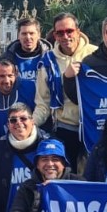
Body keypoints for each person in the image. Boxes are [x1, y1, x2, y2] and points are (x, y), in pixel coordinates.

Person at [33, 13, 97, 163]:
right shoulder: (48, 62)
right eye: (60, 33)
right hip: (65, 127)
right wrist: (30, 123)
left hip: (94, 125)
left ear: (78, 31)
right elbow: (43, 103)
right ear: (54, 35)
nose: (65, 36)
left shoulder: (95, 54)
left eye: (69, 31)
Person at [0, 17, 49, 111]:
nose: (28, 37)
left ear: (39, 35)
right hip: (15, 117)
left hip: (45, 115)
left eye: (31, 33)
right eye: (24, 33)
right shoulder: (6, 59)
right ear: (18, 35)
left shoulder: (49, 58)